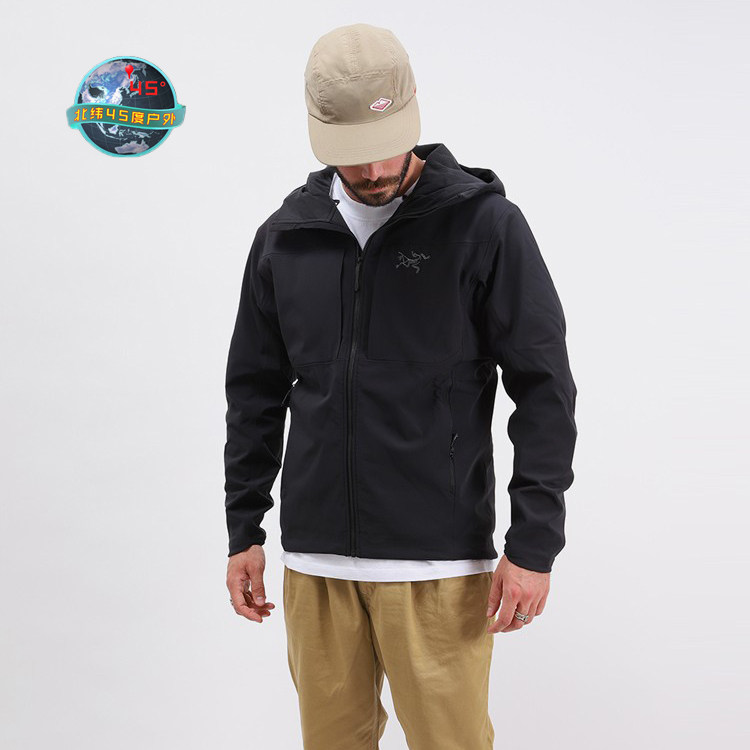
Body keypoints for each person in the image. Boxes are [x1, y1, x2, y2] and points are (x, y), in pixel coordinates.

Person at [224, 22, 577, 750]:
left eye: (386, 145)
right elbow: (254, 391)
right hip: (316, 563)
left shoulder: (484, 227)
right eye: (353, 152)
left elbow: (544, 387)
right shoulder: (285, 238)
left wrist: (535, 542)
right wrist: (243, 530)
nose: (374, 168)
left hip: (437, 564)